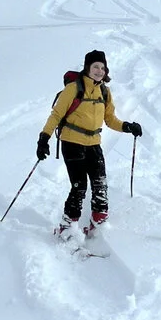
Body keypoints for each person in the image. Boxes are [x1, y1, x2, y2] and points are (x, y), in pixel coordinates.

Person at [37, 50, 143, 239]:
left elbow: (110, 119)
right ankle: (67, 227)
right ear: (87, 67)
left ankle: (98, 225)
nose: (99, 71)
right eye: (95, 66)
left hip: (94, 143)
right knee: (79, 187)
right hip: (72, 142)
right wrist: (44, 138)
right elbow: (56, 115)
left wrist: (127, 126)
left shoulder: (104, 91)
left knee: (100, 184)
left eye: (102, 67)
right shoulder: (74, 88)